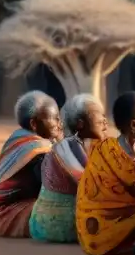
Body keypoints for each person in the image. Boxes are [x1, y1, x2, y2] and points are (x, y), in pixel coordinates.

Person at [76, 92, 135, 255]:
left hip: (88, 231)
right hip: (104, 234)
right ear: (134, 125)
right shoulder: (121, 160)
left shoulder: (110, 146)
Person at [29, 94, 106, 243]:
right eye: (98, 117)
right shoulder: (67, 147)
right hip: (57, 226)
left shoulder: (84, 146)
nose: (104, 121)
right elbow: (89, 186)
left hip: (52, 223)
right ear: (80, 124)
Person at [0, 91, 61, 237]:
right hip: (10, 215)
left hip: (4, 213)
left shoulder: (18, 139)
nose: (59, 124)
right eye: (54, 118)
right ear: (34, 124)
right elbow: (54, 187)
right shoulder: (36, 151)